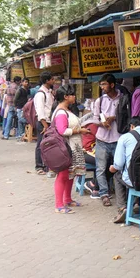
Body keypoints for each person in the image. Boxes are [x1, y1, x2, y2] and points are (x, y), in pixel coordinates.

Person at [110, 116, 140, 223]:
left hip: (134, 180)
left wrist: (112, 168)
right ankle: (137, 204)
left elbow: (119, 165)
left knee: (117, 176)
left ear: (132, 126)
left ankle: (122, 208)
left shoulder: (125, 138)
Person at [52, 84, 88, 214]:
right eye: (72, 94)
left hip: (72, 147)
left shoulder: (67, 110)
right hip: (66, 148)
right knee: (62, 175)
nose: (74, 96)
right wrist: (79, 130)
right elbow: (62, 130)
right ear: (66, 97)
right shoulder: (61, 112)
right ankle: (59, 205)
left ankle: (67, 199)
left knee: (70, 175)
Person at [93, 73, 123, 206]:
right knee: (100, 168)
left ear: (112, 85)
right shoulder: (100, 100)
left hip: (118, 139)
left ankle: (121, 195)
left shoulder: (122, 98)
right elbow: (94, 119)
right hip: (102, 139)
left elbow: (126, 115)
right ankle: (104, 194)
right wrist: (102, 123)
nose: (102, 87)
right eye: (101, 84)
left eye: (104, 84)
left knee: (118, 167)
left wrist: (113, 118)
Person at [34, 72, 55, 175]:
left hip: (48, 122)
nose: (53, 81)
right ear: (47, 81)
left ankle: (47, 165)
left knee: (47, 144)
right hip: (43, 123)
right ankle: (39, 166)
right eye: (52, 79)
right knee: (40, 144)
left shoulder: (49, 92)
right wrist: (45, 125)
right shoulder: (40, 94)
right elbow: (40, 111)